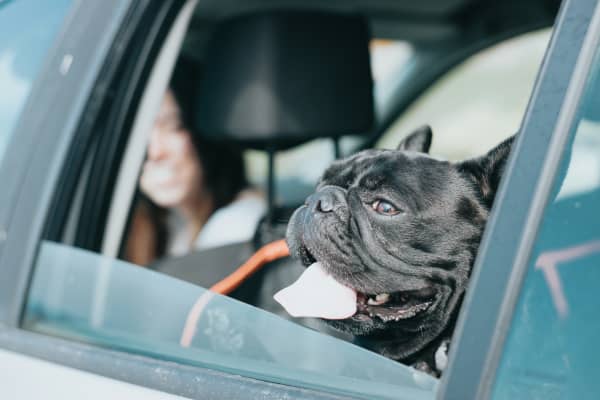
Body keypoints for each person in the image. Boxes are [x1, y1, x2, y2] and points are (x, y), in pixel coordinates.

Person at [125, 60, 266, 266]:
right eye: (139, 134)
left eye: (173, 125)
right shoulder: (157, 225)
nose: (155, 151)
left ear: (205, 128)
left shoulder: (238, 224)